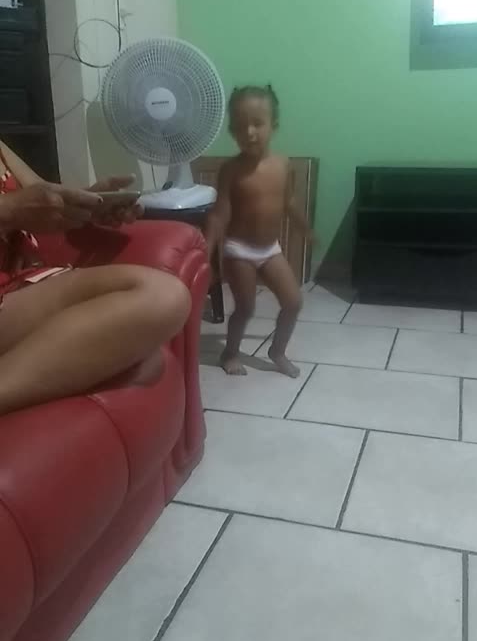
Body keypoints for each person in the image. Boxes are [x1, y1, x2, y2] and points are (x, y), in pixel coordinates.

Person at [0, 139, 190, 416]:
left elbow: (43, 196)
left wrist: (89, 203)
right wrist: (10, 210)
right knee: (162, 296)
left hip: (20, 282)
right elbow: (19, 206)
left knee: (148, 362)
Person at [205, 84, 314, 378]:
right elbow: (220, 212)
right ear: (232, 131)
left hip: (269, 248)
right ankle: (230, 352)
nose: (249, 132)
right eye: (241, 126)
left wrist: (306, 229)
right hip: (239, 250)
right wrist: (207, 248)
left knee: (293, 302)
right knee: (246, 307)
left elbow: (288, 201)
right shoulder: (230, 170)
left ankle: (277, 351)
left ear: (273, 125)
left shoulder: (283, 164)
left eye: (257, 123)